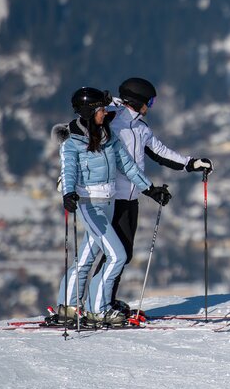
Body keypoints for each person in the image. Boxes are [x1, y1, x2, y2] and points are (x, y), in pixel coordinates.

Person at [55, 86, 172, 326]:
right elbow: (68, 171)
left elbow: (128, 167)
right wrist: (68, 193)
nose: (105, 112)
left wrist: (150, 189)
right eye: (100, 109)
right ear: (88, 111)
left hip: (108, 203)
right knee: (117, 256)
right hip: (90, 204)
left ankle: (68, 305)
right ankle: (98, 309)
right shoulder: (73, 143)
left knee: (88, 256)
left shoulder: (107, 137)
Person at [96, 77, 212, 312]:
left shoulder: (140, 127)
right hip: (107, 197)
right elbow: (80, 136)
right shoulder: (110, 119)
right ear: (137, 101)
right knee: (111, 254)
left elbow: (160, 152)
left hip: (130, 199)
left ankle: (104, 299)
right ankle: (95, 303)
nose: (150, 106)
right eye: (149, 101)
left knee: (124, 254)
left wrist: (191, 164)